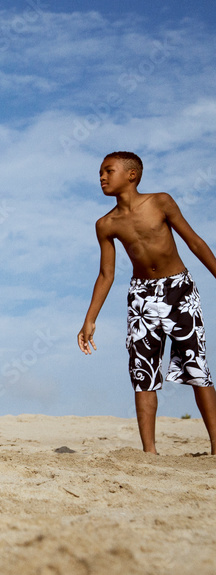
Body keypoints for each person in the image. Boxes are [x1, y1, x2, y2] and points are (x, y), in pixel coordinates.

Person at [78, 151, 216, 454]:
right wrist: (90, 319)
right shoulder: (106, 224)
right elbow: (106, 274)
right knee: (143, 373)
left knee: (197, 368)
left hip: (179, 289)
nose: (101, 177)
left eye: (108, 171)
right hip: (142, 297)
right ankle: (149, 453)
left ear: (131, 175)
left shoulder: (160, 202)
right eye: (99, 172)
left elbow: (194, 241)